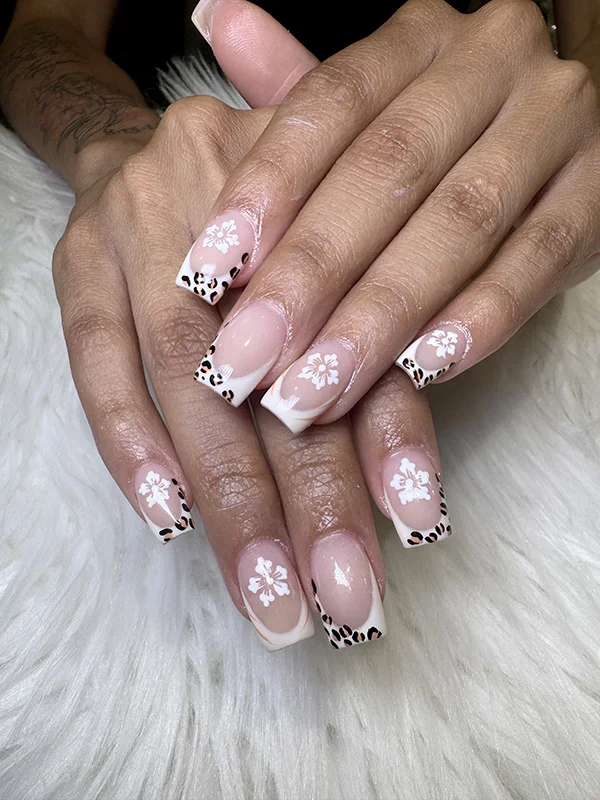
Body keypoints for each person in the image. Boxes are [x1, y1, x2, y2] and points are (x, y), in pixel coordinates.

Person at [0, 0, 598, 652]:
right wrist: (121, 153)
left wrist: (575, 116)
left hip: (487, 160)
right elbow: (42, 35)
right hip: (190, 164)